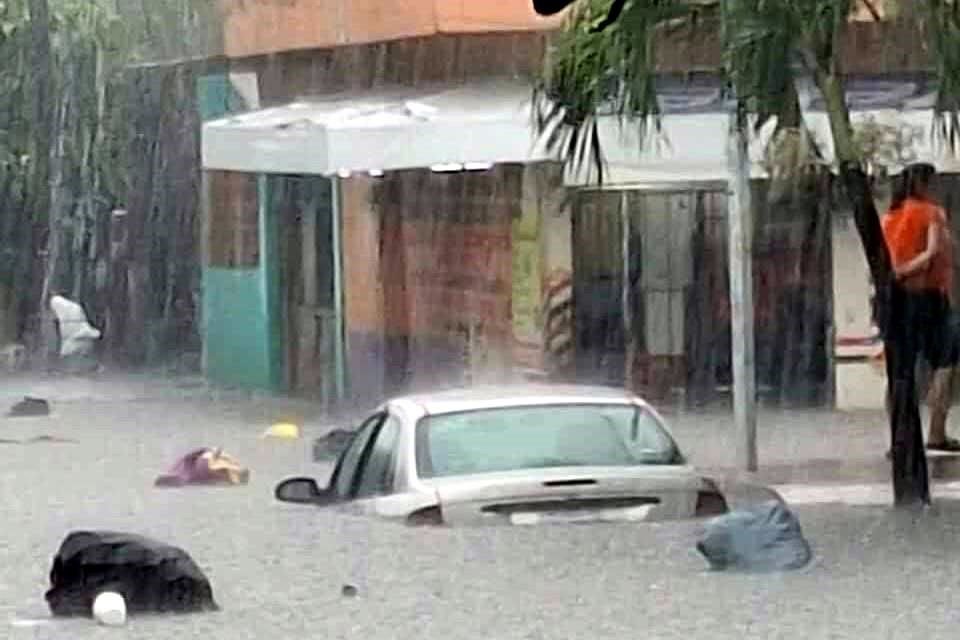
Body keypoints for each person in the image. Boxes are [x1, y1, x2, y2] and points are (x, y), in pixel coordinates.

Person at [882, 162, 959, 455]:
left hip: (897, 300)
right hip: (928, 298)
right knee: (945, 362)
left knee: (900, 369)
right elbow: (932, 253)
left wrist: (895, 276)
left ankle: (898, 438)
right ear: (924, 184)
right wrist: (906, 270)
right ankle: (936, 433)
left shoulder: (890, 216)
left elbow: (884, 259)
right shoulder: (931, 213)